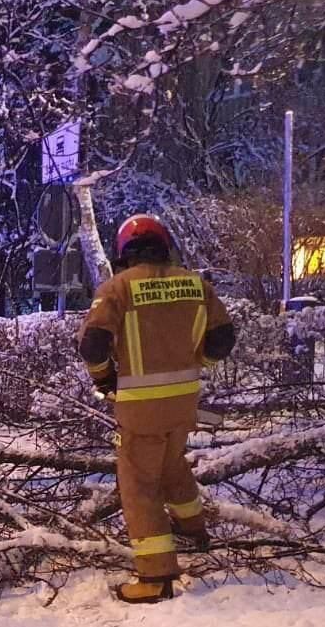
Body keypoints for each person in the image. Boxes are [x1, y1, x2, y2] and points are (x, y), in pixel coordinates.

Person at [79, 215, 236, 604]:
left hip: (139, 407)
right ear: (165, 246)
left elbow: (94, 344)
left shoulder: (117, 288)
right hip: (183, 402)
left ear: (123, 253)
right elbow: (222, 337)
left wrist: (103, 379)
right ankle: (193, 530)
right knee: (171, 465)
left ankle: (156, 576)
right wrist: (201, 364)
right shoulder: (197, 285)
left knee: (138, 485)